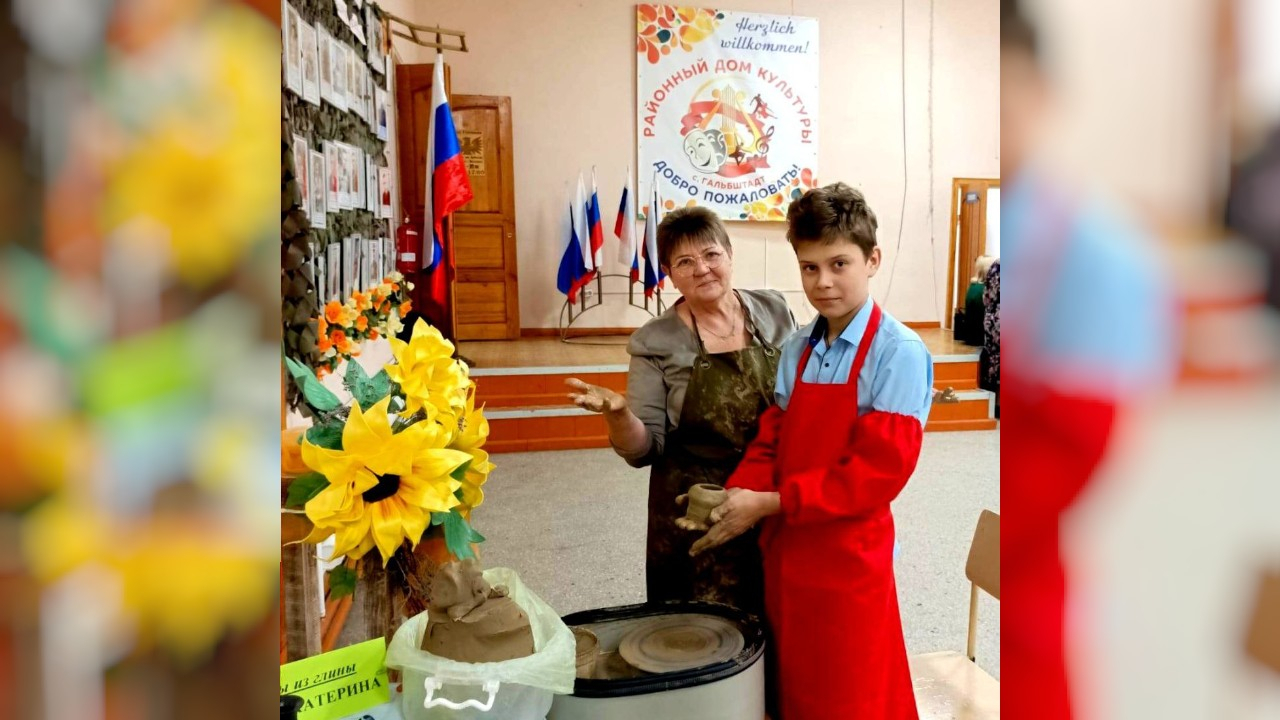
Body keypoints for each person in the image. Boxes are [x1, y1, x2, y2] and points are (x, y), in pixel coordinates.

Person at [690, 182, 933, 719]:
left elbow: (875, 475)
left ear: (872, 260)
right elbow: (773, 438)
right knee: (797, 683)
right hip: (788, 550)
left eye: (839, 264)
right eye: (809, 267)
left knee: (850, 689)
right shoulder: (799, 346)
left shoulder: (898, 353)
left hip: (850, 558)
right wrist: (738, 493)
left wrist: (770, 503)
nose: (823, 282)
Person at [1000, 2, 1174, 719]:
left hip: (1029, 584)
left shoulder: (1099, 252)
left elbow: (1079, 453)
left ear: (1040, 90)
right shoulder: (1000, 225)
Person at [565, 206, 797, 616]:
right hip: (696, 505)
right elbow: (643, 451)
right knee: (702, 628)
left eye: (711, 255)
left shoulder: (775, 310)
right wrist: (619, 414)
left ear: (729, 254)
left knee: (779, 614)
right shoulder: (655, 341)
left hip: (768, 492)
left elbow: (800, 397)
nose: (702, 269)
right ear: (670, 274)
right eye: (685, 262)